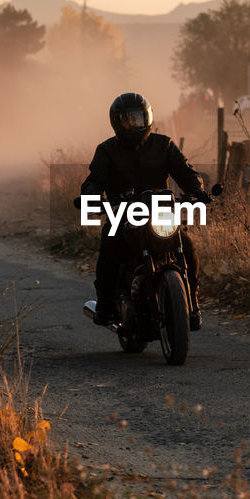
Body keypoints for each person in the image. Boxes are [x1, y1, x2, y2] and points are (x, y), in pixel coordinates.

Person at [79, 92, 209, 328]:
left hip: (160, 210)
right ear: (117, 122)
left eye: (137, 118)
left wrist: (197, 191)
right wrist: (90, 197)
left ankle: (193, 304)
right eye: (127, 119)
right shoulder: (107, 150)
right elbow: (94, 180)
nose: (133, 124)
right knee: (110, 246)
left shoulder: (164, 145)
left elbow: (186, 173)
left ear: (147, 118)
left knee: (186, 246)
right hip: (121, 212)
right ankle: (106, 305)